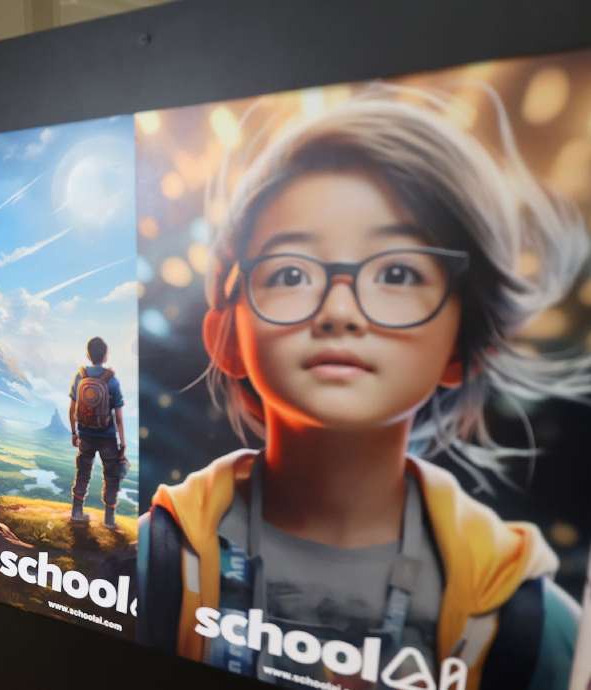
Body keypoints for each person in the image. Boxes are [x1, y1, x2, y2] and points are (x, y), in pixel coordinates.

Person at [137, 92, 588, 690]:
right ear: (226, 333)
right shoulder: (150, 563)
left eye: (397, 274)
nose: (341, 312)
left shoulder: (528, 621)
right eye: (291, 273)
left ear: (463, 342)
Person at [68, 336, 127, 528]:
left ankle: (77, 512)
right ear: (105, 355)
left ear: (88, 354)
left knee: (83, 471)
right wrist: (122, 442)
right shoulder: (112, 380)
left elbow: (72, 408)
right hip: (107, 436)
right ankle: (109, 519)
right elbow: (118, 416)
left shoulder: (80, 376)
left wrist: (74, 433)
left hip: (85, 433)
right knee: (111, 475)